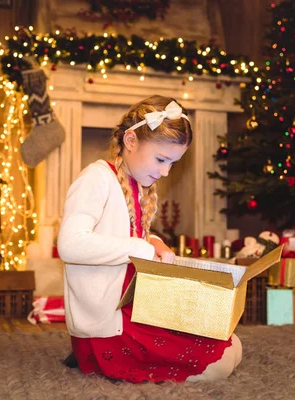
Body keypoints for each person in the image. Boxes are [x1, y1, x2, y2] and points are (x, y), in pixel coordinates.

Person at [57, 95, 242, 383]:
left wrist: (153, 240)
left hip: (137, 304)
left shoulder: (137, 184)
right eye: (161, 159)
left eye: (173, 163)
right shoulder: (96, 178)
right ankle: (99, 358)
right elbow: (70, 243)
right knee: (221, 363)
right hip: (108, 324)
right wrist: (139, 247)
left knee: (232, 343)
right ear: (130, 141)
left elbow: (124, 234)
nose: (165, 171)